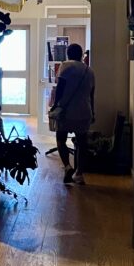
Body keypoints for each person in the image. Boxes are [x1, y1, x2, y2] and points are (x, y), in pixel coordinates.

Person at [50, 43, 96, 185]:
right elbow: (91, 94)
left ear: (68, 54)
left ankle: (68, 167)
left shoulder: (66, 66)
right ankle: (80, 174)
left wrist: (55, 105)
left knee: (61, 139)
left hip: (66, 111)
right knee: (82, 143)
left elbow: (60, 88)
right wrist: (93, 112)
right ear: (81, 55)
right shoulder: (89, 71)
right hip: (84, 111)